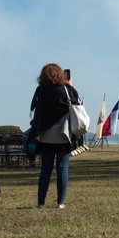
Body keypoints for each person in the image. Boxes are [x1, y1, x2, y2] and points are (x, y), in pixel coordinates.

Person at [29, 64, 80, 208]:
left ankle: (40, 203)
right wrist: (70, 85)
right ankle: (60, 202)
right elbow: (77, 105)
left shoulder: (40, 91)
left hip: (45, 136)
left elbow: (33, 107)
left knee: (45, 170)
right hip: (64, 136)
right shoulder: (66, 89)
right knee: (62, 168)